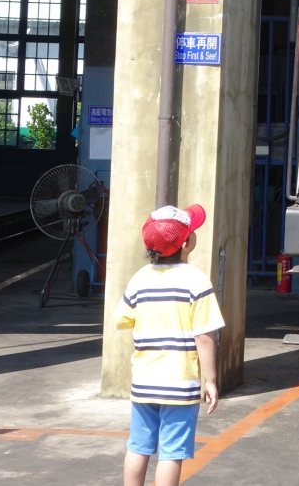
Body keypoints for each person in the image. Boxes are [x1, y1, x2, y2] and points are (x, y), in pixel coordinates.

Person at [115, 204, 225, 486]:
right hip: (180, 383)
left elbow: (122, 319)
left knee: (138, 446)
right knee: (172, 452)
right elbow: (204, 336)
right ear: (186, 243)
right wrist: (211, 381)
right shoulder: (196, 281)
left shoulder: (140, 278)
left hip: (144, 381)